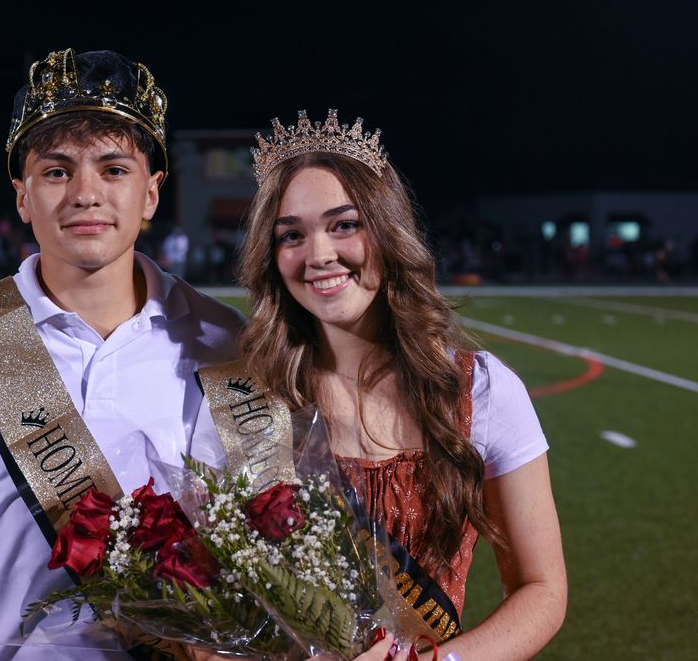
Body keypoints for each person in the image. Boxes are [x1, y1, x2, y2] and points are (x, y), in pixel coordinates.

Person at [0, 48, 244, 661]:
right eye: (56, 172)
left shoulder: (223, 341)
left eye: (114, 169)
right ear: (22, 197)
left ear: (151, 194)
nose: (86, 193)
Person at [230, 110, 567, 660]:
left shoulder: (480, 391)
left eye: (345, 224)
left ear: (387, 230)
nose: (319, 254)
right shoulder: (248, 399)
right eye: (291, 235)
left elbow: (542, 589)